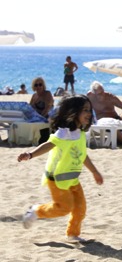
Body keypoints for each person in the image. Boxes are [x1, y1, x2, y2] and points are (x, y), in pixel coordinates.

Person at [17, 95, 104, 242]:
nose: (89, 113)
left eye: (90, 110)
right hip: (57, 178)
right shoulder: (64, 133)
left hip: (72, 178)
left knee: (80, 208)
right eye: (85, 110)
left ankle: (72, 234)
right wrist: (30, 154)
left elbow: (82, 155)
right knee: (63, 208)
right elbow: (48, 145)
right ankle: (36, 211)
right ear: (74, 111)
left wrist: (94, 172)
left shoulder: (81, 133)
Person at [87, 81, 122, 147]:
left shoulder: (110, 97)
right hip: (102, 123)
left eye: (103, 91)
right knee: (110, 124)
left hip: (115, 119)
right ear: (93, 94)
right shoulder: (89, 98)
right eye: (99, 94)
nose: (102, 95)